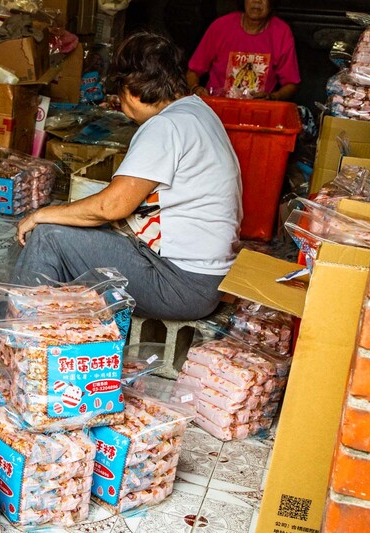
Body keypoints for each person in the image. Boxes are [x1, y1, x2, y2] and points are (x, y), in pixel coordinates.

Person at [12, 31, 242, 321]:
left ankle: (21, 333)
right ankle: (54, 320)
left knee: (47, 236)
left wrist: (41, 214)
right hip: (205, 280)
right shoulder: (198, 112)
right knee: (75, 231)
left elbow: (111, 207)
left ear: (131, 88)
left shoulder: (166, 126)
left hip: (180, 284)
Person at [187, 0, 300, 101]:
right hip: (216, 108)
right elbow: (193, 71)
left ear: (272, 4)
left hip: (259, 111)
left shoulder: (281, 32)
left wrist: (273, 97)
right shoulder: (221, 26)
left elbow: (291, 83)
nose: (257, 1)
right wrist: (196, 88)